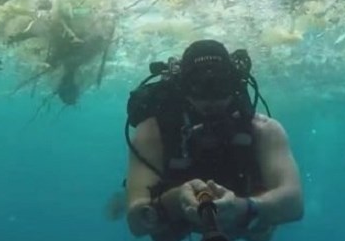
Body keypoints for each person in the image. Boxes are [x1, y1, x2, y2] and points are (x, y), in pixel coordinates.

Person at [124, 40, 303, 241]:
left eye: (220, 85)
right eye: (198, 86)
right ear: (182, 87)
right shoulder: (153, 132)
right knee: (162, 231)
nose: (210, 99)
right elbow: (136, 222)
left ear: (235, 84)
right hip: (178, 214)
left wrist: (245, 208)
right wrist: (173, 202)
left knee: (261, 226)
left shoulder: (264, 130)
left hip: (242, 214)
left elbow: (294, 203)